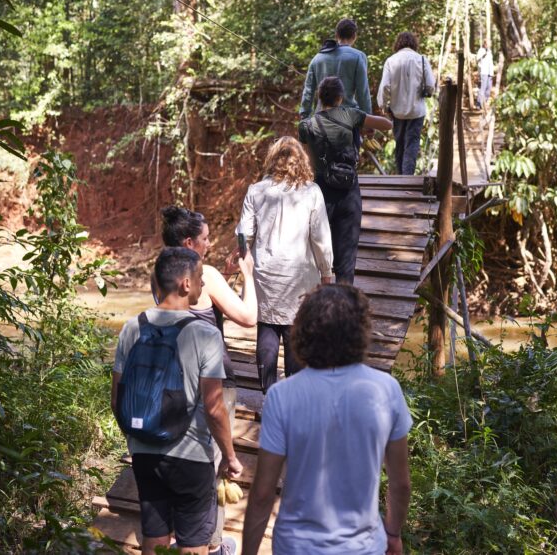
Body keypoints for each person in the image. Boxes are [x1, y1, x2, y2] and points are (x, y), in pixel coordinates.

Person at [241, 285, 413, 555]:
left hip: (296, 546)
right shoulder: (386, 390)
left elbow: (262, 493)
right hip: (363, 547)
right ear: (361, 332)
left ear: (304, 332)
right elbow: (400, 483)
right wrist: (392, 533)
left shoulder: (282, 395)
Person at [111, 247, 244, 555]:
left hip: (144, 452)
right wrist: (230, 456)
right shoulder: (205, 334)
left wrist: (138, 441)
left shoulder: (133, 327)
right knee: (193, 543)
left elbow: (116, 399)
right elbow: (213, 408)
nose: (202, 285)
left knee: (154, 536)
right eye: (200, 278)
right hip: (191, 455)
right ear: (185, 284)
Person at [161, 206, 258, 554]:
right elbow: (248, 317)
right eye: (204, 239)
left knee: (181, 456)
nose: (210, 244)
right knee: (212, 463)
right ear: (190, 242)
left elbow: (199, 305)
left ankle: (177, 535)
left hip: (174, 380)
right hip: (214, 379)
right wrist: (246, 275)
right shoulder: (207, 273)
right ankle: (212, 544)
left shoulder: (163, 273)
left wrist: (223, 278)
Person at [237, 136, 334, 393]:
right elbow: (321, 239)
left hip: (266, 273)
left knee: (267, 331)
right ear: (301, 160)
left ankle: (269, 395)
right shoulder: (312, 192)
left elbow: (243, 234)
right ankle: (292, 397)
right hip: (300, 276)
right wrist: (327, 273)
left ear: (272, 159)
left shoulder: (256, 191)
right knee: (295, 334)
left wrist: (243, 261)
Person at [299, 76, 392, 284]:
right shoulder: (351, 115)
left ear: (319, 98)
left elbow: (307, 147)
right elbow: (386, 124)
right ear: (341, 97)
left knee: (317, 254)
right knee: (346, 260)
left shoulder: (307, 125)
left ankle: (319, 303)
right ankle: (344, 305)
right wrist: (359, 123)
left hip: (320, 194)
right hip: (349, 192)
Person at [376, 31, 435, 175]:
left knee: (400, 143)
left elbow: (384, 86)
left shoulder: (391, 60)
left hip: (397, 111)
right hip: (417, 111)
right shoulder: (421, 59)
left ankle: (400, 176)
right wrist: (427, 92)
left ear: (398, 44)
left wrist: (382, 104)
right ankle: (407, 177)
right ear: (414, 44)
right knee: (412, 143)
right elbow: (431, 85)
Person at [299, 18, 372, 118]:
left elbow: (308, 92)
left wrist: (304, 115)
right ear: (354, 36)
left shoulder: (317, 59)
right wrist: (367, 117)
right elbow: (362, 92)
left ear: (336, 35)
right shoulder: (358, 57)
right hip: (348, 118)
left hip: (321, 119)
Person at [475, 41, 494, 109]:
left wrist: (492, 73)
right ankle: (478, 103)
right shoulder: (481, 50)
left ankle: (484, 103)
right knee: (482, 88)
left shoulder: (489, 51)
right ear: (485, 44)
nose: (489, 45)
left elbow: (491, 62)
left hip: (490, 72)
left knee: (488, 89)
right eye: (488, 44)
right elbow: (477, 59)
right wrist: (483, 55)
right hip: (484, 72)